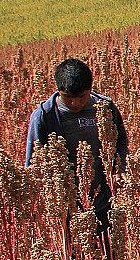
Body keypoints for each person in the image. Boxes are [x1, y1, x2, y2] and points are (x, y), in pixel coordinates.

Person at [26, 58, 129, 239]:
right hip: (65, 209)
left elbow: (120, 141)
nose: (75, 103)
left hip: (103, 203)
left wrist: (118, 168)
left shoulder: (104, 108)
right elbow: (34, 163)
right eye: (68, 98)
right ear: (58, 91)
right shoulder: (44, 116)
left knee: (108, 257)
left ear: (90, 88)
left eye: (82, 96)